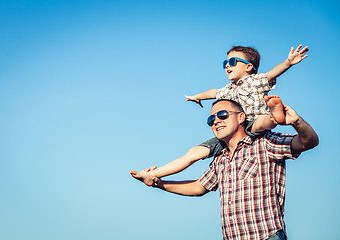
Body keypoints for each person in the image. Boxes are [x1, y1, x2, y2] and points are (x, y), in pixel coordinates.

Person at [132, 99, 318, 240]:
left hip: (266, 236)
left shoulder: (264, 143)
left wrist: (296, 122)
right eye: (211, 119)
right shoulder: (220, 158)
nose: (216, 121)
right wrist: (159, 184)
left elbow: (308, 142)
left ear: (241, 118)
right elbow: (198, 187)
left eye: (222, 115)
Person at [130, 45, 309, 186]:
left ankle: (274, 116)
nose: (227, 67)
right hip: (233, 132)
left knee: (261, 123)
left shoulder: (255, 80)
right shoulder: (227, 90)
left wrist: (288, 62)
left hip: (253, 123)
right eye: (225, 63)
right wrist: (196, 97)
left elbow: (272, 73)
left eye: (233, 62)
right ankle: (153, 173)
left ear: (248, 67)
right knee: (194, 153)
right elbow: (213, 92)